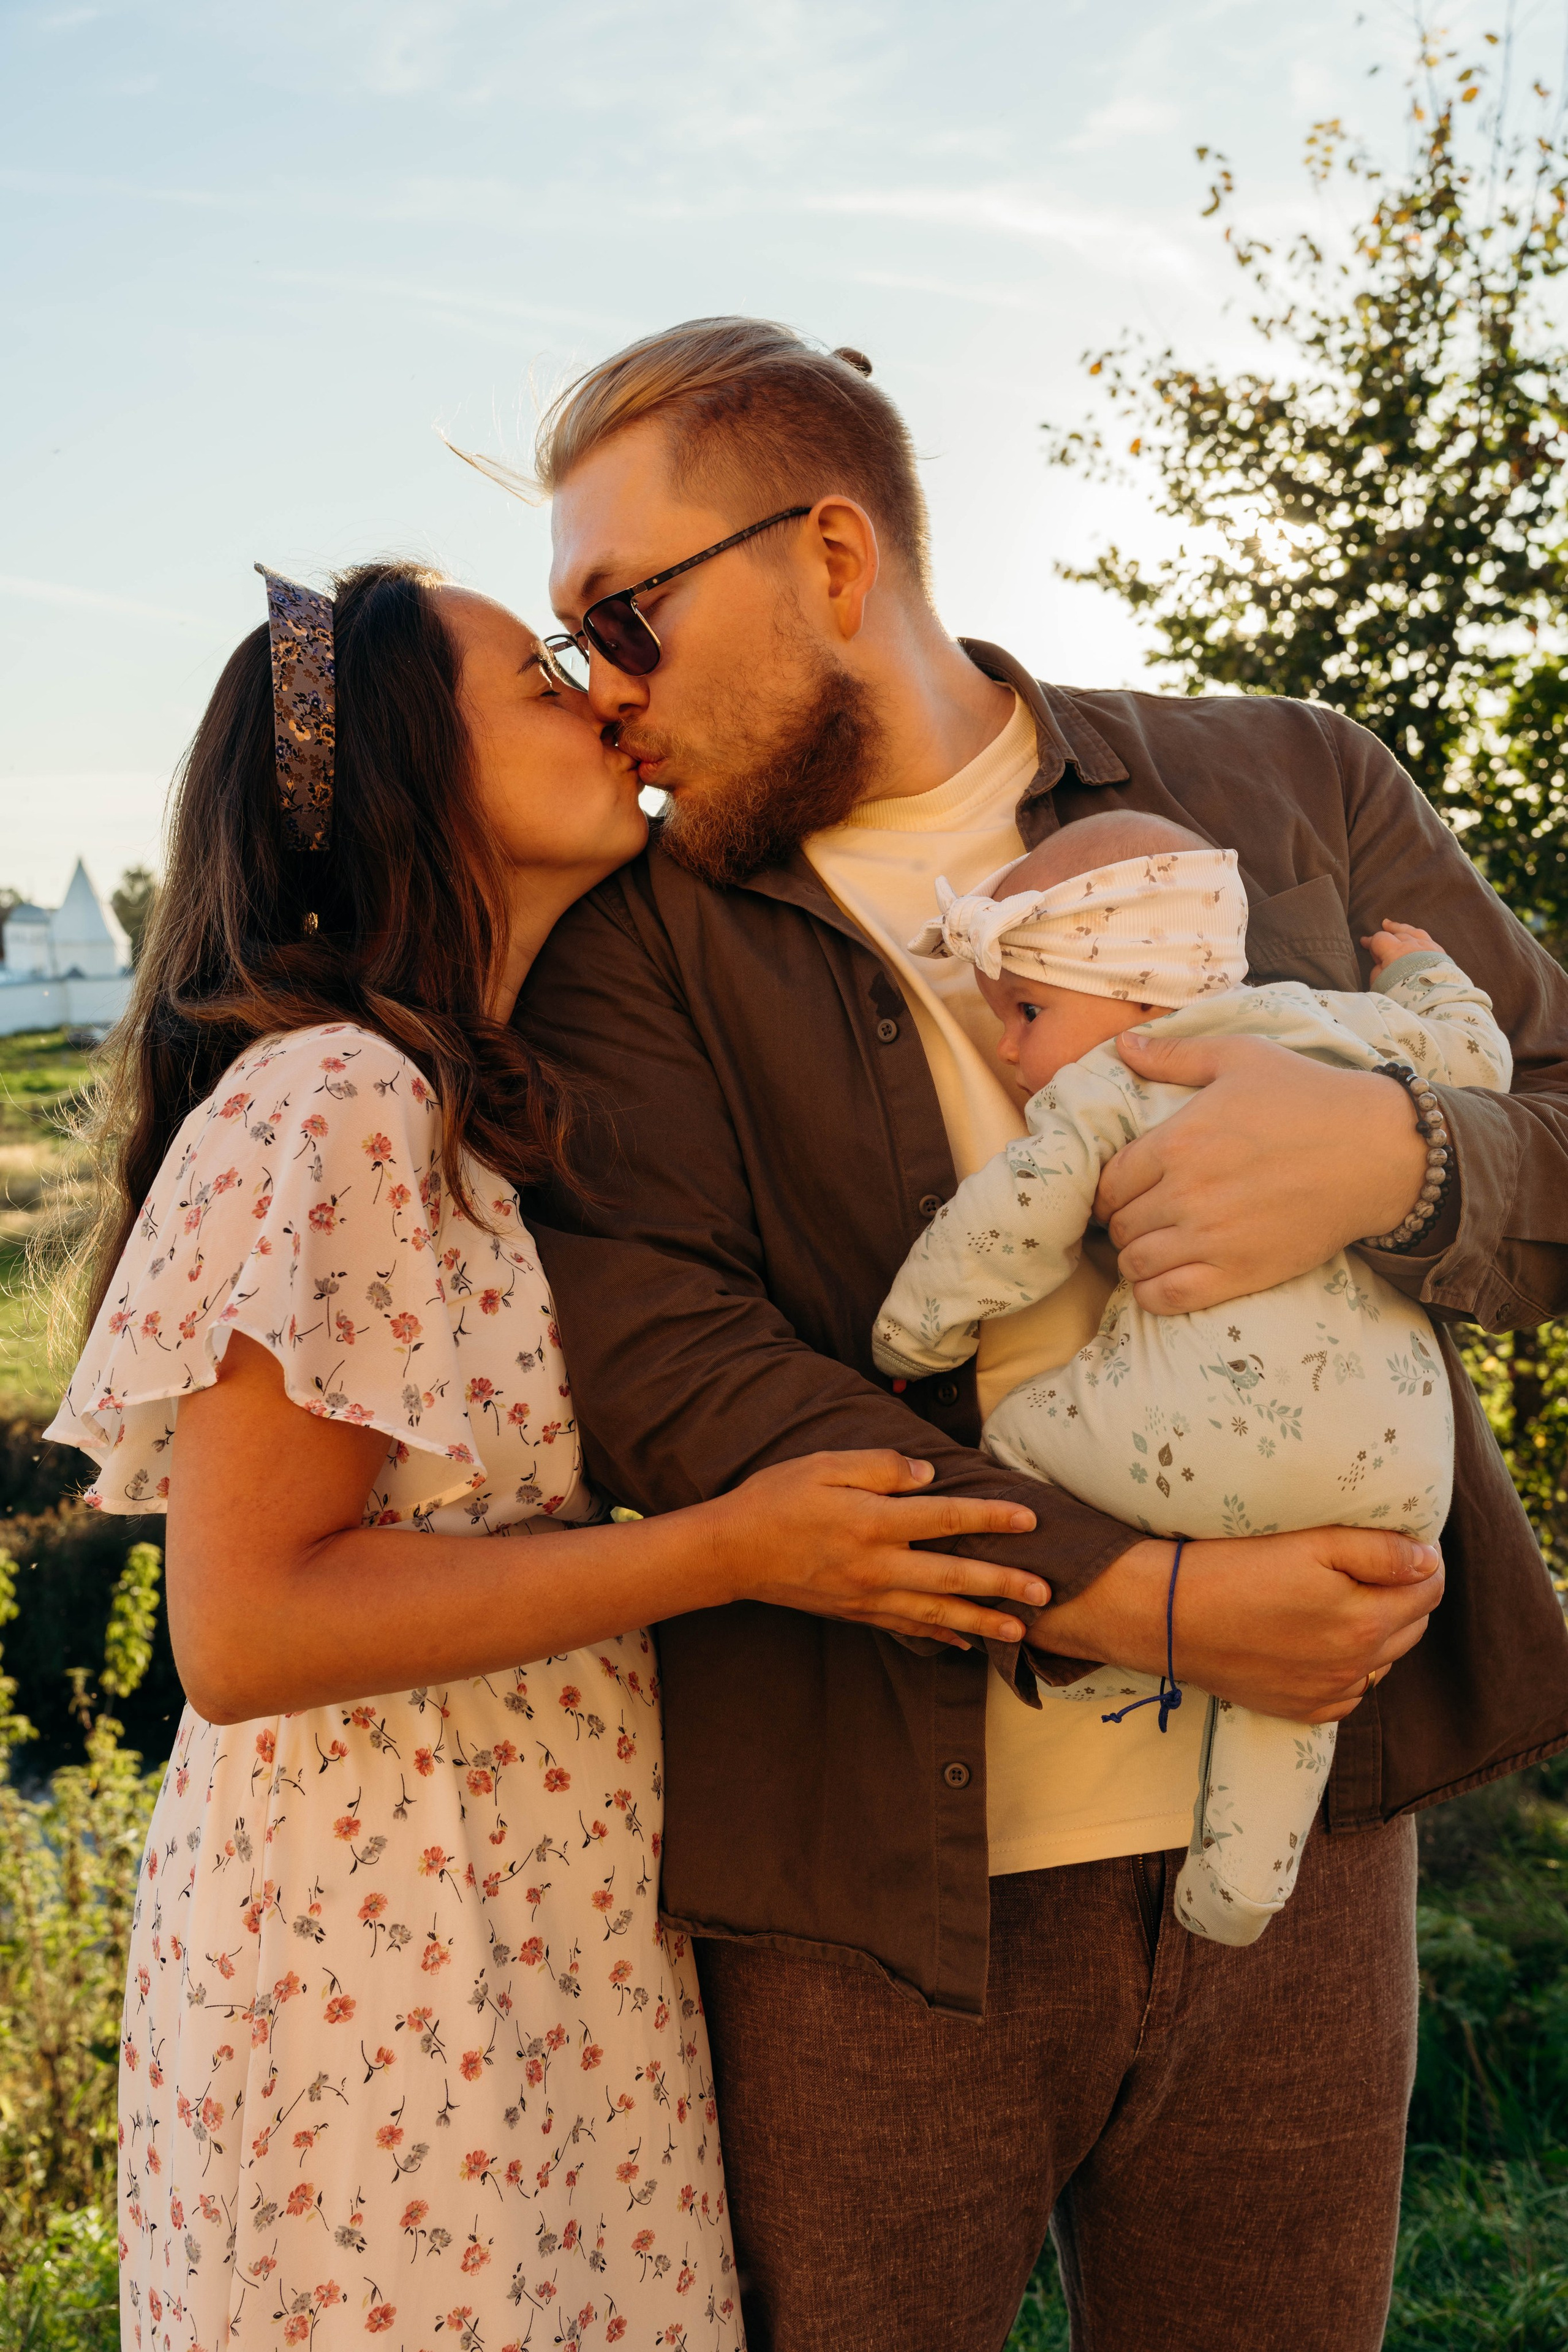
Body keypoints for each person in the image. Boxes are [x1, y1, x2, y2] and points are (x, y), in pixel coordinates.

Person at [510, 317, 1568, 2352]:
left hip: (1304, 1858)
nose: (598, 693)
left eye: (623, 615)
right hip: (864, 1905)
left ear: (832, 555)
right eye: (570, 648)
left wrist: (1397, 1159)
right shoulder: (621, 948)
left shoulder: (1291, 781)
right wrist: (1147, 1601)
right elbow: (674, 1367)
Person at [46, 557, 1047, 2352]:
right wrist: (733, 1549)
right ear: (406, 775)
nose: (605, 698)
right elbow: (250, 1632)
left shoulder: (447, 1095)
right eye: (541, 679)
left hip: (513, 1920)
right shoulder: (340, 1098)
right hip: (385, 1951)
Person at [873, 809, 1513, 1942]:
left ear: (1132, 990)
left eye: (1027, 1011)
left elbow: (1006, 1233)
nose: (1011, 1050)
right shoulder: (1339, 1030)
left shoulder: (1118, 1078)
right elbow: (1479, 1060)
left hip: (1198, 1443)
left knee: (1012, 1438)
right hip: (1404, 1473)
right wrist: (1424, 972)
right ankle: (1243, 1889)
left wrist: (915, 1335)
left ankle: (1135, 1655)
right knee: (1312, 1671)